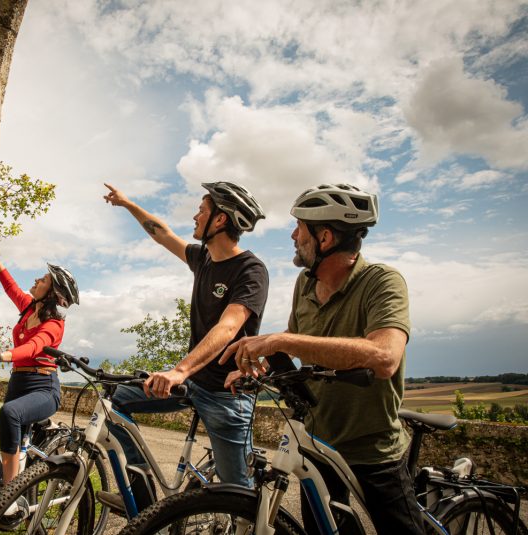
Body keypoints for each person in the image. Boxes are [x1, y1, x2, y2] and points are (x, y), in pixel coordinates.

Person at [220, 183, 424, 535]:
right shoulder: (304, 283)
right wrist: (259, 368)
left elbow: (385, 356)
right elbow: (296, 349)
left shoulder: (382, 282)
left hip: (371, 449)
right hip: (318, 442)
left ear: (325, 237)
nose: (293, 235)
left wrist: (279, 340)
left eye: (299, 227)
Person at [102, 181, 269, 496]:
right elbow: (162, 233)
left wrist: (179, 370)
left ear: (220, 220)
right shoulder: (203, 258)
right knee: (115, 401)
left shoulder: (251, 270)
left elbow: (228, 327)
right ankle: (143, 495)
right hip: (193, 382)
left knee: (238, 496)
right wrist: (127, 203)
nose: (195, 216)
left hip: (227, 396)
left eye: (201, 211)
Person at [0, 234, 79, 484]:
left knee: (10, 413)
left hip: (43, 387)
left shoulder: (54, 324)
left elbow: (32, 347)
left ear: (52, 293)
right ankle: (18, 489)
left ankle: (9, 495)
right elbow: (10, 286)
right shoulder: (29, 307)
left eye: (44, 279)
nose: (38, 279)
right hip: (18, 382)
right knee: (12, 440)